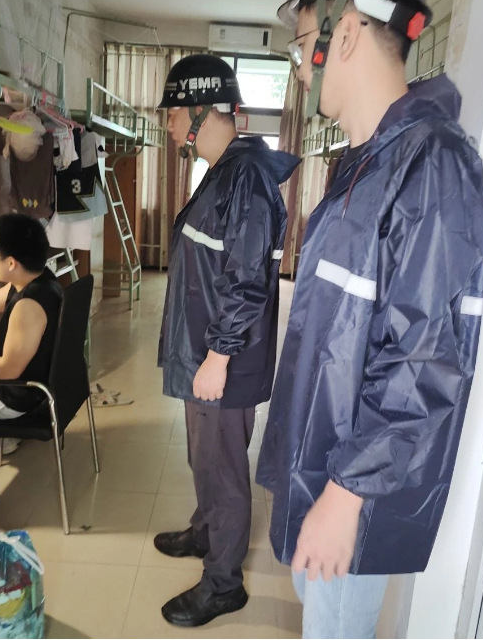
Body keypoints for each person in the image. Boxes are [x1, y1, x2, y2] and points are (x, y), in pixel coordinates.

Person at [256, 0, 483, 638]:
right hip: (324, 465)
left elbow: (426, 359)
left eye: (302, 42)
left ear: (348, 30)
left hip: (351, 484)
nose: (300, 66)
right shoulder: (364, 163)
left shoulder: (432, 163)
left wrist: (347, 494)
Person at [155, 54, 300, 627]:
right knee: (203, 456)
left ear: (200, 111)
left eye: (172, 113)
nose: (168, 125)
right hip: (205, 353)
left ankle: (223, 584)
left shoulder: (247, 178)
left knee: (223, 469)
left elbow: (247, 280)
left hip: (223, 359)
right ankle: (205, 530)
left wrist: (217, 356)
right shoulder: (224, 172)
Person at [0, 214, 62, 450]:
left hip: (14, 395)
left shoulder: (28, 306)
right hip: (27, 382)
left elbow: (9, 369)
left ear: (11, 263)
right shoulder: (38, 279)